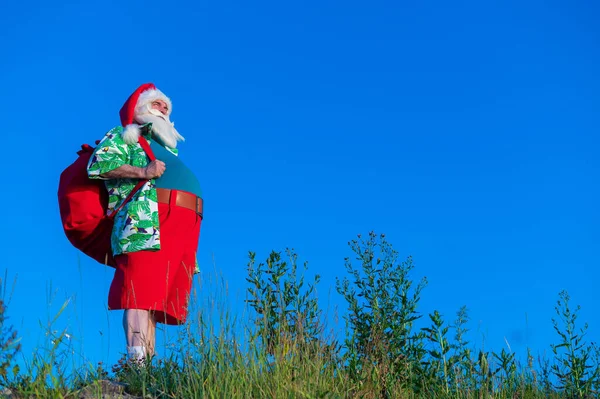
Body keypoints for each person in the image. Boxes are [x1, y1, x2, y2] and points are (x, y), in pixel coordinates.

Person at [87, 83, 203, 361]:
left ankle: (146, 367)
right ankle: (136, 362)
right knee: (138, 290)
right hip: (145, 219)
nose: (163, 109)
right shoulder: (126, 136)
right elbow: (98, 165)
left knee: (153, 296)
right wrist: (143, 171)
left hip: (180, 221)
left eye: (166, 107)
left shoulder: (164, 147)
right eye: (156, 104)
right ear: (139, 109)